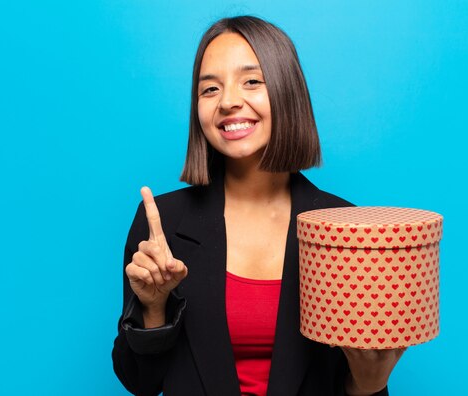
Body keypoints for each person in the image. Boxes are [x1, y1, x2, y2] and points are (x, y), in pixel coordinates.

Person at [112, 16, 405, 396]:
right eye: (210, 89)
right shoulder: (162, 225)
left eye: (252, 81)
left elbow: (358, 379)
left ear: (287, 91)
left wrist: (370, 382)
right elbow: (139, 381)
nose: (229, 101)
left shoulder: (345, 231)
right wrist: (153, 309)